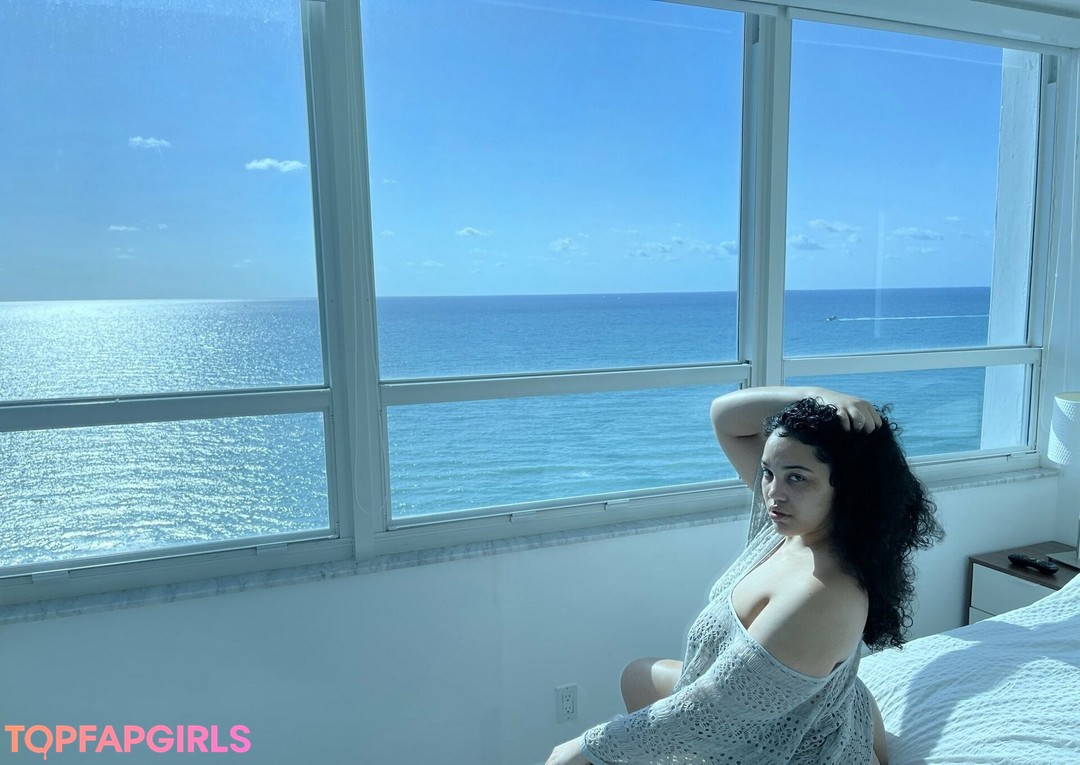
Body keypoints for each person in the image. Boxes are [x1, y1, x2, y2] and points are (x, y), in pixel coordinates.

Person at [545, 386, 943, 765]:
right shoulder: (789, 528)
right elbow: (727, 417)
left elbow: (709, 710)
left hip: (802, 750)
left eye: (797, 477)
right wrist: (820, 398)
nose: (773, 492)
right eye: (768, 472)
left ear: (849, 490)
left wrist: (588, 747)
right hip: (817, 710)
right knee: (638, 676)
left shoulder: (824, 594)